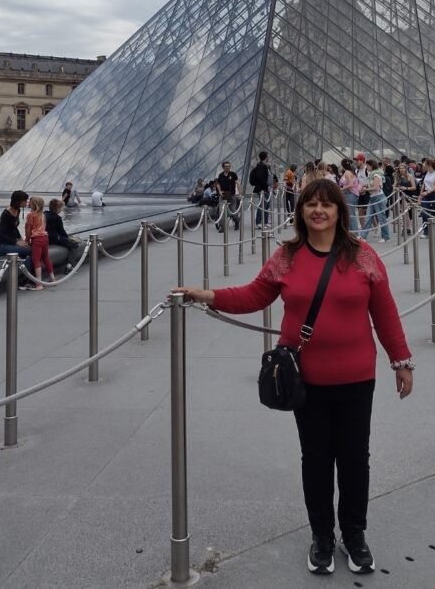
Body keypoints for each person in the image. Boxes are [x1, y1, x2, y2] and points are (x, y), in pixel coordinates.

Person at [172, 179, 413, 575]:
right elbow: (253, 296)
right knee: (316, 460)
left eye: (326, 205)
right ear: (301, 212)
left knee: (355, 461)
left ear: (340, 210)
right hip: (307, 380)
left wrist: (401, 361)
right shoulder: (286, 256)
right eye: (311, 205)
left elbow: (384, 312)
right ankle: (321, 536)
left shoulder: (364, 256)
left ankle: (354, 534)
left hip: (356, 378)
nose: (318, 211)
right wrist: (207, 294)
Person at [0, 190, 34, 287]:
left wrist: (21, 239)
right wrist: (16, 242)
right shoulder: (6, 214)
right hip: (2, 246)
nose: (27, 202)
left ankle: (25, 278)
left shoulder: (17, 210)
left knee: (29, 250)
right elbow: (1, 234)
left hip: (11, 244)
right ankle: (24, 279)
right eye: (25, 200)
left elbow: (14, 228)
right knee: (31, 251)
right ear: (18, 201)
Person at [25, 196, 55, 290]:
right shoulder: (42, 214)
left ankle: (39, 284)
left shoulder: (31, 215)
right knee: (46, 258)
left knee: (36, 260)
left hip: (37, 239)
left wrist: (27, 239)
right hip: (45, 238)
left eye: (30, 202)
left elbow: (28, 229)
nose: (28, 203)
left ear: (34, 204)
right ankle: (52, 279)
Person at [45, 198, 82, 272]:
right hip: (54, 238)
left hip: (46, 238)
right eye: (60, 208)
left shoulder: (45, 214)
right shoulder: (57, 218)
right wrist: (68, 238)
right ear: (57, 208)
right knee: (75, 245)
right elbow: (61, 231)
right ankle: (70, 265)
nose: (61, 210)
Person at [360, 160, 390, 243]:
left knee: (381, 218)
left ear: (371, 166)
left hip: (379, 198)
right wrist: (365, 186)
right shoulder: (371, 174)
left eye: (367, 166)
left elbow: (376, 188)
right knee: (368, 217)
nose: (367, 167)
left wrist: (365, 189)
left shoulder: (376, 175)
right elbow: (370, 184)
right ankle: (363, 236)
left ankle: (386, 236)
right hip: (373, 197)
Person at [216, 161, 241, 233]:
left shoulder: (233, 174)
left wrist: (239, 194)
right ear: (223, 167)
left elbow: (238, 183)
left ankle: (236, 222)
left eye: (229, 166)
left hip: (231, 195)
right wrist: (220, 191)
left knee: (233, 211)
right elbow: (217, 184)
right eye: (226, 166)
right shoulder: (221, 175)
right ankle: (222, 226)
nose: (228, 167)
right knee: (221, 211)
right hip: (223, 196)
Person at [250, 151, 271, 227]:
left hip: (263, 188)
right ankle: (258, 222)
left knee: (266, 205)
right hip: (262, 189)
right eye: (268, 156)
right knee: (262, 205)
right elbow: (261, 178)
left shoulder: (261, 165)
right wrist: (266, 187)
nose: (268, 158)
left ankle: (265, 222)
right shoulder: (262, 166)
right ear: (266, 157)